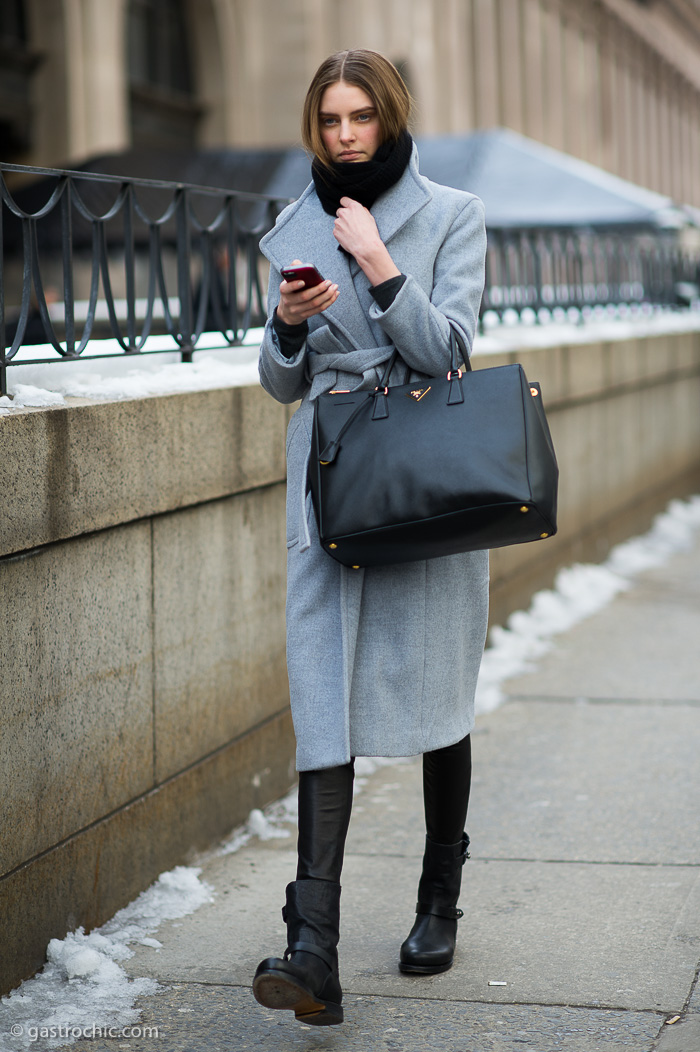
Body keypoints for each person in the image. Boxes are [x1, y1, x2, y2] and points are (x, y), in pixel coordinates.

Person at [253, 49, 488, 1027]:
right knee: (322, 695)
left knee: (437, 684)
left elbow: (451, 349)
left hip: (423, 468)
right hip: (331, 477)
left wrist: (385, 269)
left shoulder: (450, 214)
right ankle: (315, 944)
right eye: (329, 120)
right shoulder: (290, 226)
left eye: (359, 117)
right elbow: (277, 380)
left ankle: (439, 896)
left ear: (388, 119)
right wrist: (290, 323)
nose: (344, 134)